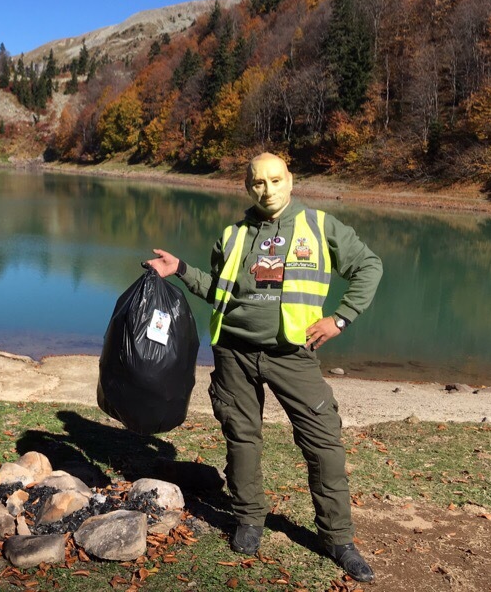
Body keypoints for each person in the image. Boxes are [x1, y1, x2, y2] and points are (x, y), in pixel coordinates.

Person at [146, 152, 382, 583]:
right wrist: (180, 269)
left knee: (324, 444)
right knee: (242, 439)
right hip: (234, 353)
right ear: (247, 186)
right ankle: (250, 519)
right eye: (258, 182)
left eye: (275, 180)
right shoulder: (233, 235)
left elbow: (369, 266)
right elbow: (221, 292)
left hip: (292, 354)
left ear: (291, 181)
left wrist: (341, 318)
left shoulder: (320, 226)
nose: (267, 190)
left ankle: (338, 538)